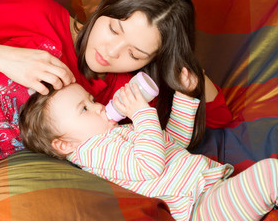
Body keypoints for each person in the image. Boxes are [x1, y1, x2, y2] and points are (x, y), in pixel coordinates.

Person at [0, 0, 232, 218]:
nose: (111, 52)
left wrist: (179, 63)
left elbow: (218, 117)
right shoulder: (40, 16)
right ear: (104, 9)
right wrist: (4, 57)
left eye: (134, 53)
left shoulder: (122, 98)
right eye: (113, 29)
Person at [19, 81, 278, 221]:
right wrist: (142, 114)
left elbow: (171, 144)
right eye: (84, 109)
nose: (98, 107)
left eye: (92, 99)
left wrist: (185, 98)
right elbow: (150, 165)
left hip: (209, 190)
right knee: (270, 174)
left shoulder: (116, 132)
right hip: (198, 210)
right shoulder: (93, 153)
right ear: (65, 144)